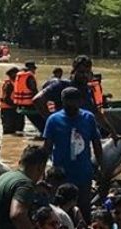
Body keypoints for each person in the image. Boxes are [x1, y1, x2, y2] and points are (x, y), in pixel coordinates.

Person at [42, 86, 104, 218]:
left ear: (80, 101)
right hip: (61, 175)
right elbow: (46, 148)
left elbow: (97, 145)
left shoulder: (88, 118)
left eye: (74, 102)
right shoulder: (53, 120)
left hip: (83, 172)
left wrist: (101, 168)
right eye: (68, 103)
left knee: (84, 208)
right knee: (60, 211)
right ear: (62, 102)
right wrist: (42, 174)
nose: (71, 106)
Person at [12, 61, 42, 133]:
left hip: (20, 105)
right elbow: (34, 90)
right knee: (40, 121)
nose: (34, 71)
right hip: (30, 104)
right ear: (31, 68)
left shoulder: (19, 76)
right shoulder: (29, 76)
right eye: (34, 69)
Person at [0, 66, 24, 135]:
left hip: (15, 108)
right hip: (8, 110)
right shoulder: (8, 84)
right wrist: (16, 106)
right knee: (8, 131)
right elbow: (6, 99)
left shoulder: (16, 82)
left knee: (19, 131)